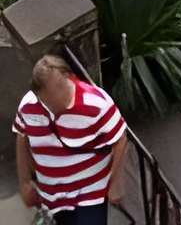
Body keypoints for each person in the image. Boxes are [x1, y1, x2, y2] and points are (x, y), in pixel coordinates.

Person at [13, 53, 127, 223]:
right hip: (53, 194)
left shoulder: (96, 103)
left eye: (60, 88)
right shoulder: (28, 106)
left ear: (68, 77)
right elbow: (22, 137)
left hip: (91, 189)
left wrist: (116, 182)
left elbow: (120, 138)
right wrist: (24, 181)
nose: (58, 99)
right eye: (49, 99)